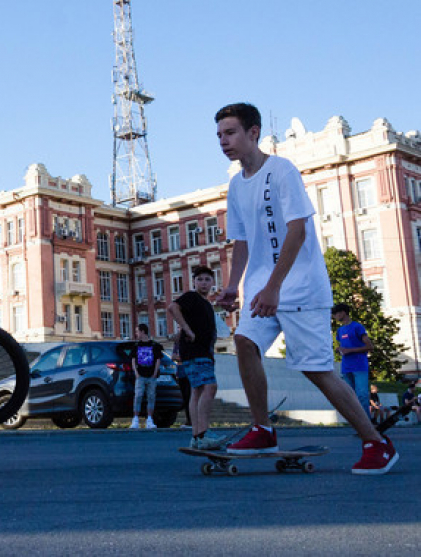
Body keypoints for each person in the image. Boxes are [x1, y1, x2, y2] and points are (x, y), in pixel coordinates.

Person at [214, 102, 398, 474]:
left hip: (300, 289)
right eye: (219, 135)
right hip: (263, 290)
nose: (223, 141)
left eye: (230, 133)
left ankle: (377, 442)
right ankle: (263, 429)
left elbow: (297, 230)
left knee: (316, 370)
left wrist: (274, 287)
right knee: (245, 343)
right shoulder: (236, 185)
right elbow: (242, 241)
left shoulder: (282, 171)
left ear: (253, 132)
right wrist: (233, 287)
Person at [167, 266, 222, 449]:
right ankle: (204, 433)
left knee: (197, 390)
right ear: (194, 282)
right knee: (210, 386)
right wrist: (187, 330)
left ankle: (197, 436)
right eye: (200, 279)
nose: (204, 283)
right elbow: (173, 307)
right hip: (194, 351)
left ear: (213, 282)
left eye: (207, 279)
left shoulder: (206, 303)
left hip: (202, 352)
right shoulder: (191, 297)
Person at [332, 303, 374, 418]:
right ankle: (357, 423)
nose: (334, 317)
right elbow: (344, 346)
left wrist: (350, 350)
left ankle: (367, 423)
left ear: (343, 313)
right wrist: (339, 350)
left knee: (362, 395)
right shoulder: (340, 331)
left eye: (335, 314)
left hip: (359, 366)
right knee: (350, 397)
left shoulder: (357, 327)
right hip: (346, 367)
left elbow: (370, 346)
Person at [129, 324, 163, 429]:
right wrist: (136, 373)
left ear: (143, 331)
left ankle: (149, 419)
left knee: (151, 396)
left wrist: (154, 373)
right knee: (138, 396)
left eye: (137, 331)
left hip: (151, 376)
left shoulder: (153, 345)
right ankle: (135, 419)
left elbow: (158, 359)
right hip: (141, 376)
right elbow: (133, 359)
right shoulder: (136, 345)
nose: (136, 334)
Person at [171, 335, 192, 428]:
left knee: (190, 396)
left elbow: (188, 356)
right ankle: (189, 420)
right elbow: (173, 356)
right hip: (180, 373)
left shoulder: (188, 343)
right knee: (185, 397)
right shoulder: (177, 344)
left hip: (189, 372)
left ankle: (192, 420)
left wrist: (180, 358)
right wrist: (181, 358)